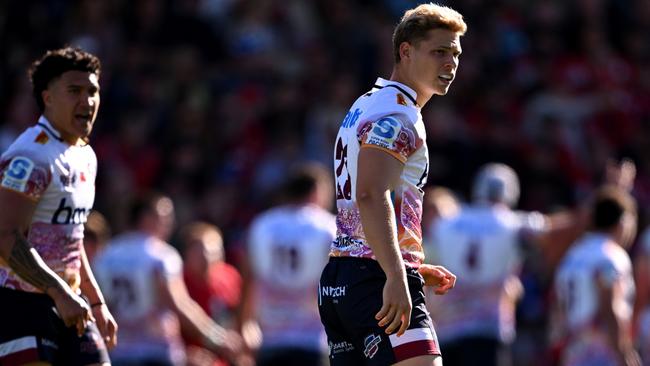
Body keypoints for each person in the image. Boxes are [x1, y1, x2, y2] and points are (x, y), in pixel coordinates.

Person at [318, 4, 465, 365]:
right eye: (439, 51)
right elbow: (370, 194)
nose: (451, 63)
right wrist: (397, 273)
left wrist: (407, 262)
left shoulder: (369, 102)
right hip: (373, 278)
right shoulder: (398, 114)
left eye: (456, 53)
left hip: (344, 276)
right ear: (406, 51)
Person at [0, 47, 117, 365]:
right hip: (17, 303)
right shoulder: (30, 157)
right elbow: (5, 236)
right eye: (74, 91)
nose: (87, 101)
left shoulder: (84, 155)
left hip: (66, 298)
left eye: (92, 91)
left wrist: (95, 301)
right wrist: (59, 291)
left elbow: (71, 239)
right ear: (47, 97)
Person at [424, 163, 575, 366]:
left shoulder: (445, 224)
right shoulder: (510, 223)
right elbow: (550, 230)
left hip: (448, 331)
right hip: (489, 330)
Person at [92, 193, 244, 366]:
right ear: (147, 218)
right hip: (157, 350)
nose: (170, 223)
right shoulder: (160, 255)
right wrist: (216, 338)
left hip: (120, 350)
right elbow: (178, 303)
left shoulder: (106, 255)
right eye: (165, 217)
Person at [239, 162, 335, 366]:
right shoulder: (328, 226)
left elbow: (249, 277)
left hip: (270, 337)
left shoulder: (262, 224)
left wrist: (245, 323)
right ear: (317, 190)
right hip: (312, 338)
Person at [554, 186, 640, 366]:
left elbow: (558, 312)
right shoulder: (610, 256)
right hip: (602, 355)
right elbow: (609, 307)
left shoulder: (572, 257)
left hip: (574, 353)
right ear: (623, 222)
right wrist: (624, 354)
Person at [180, 221, 244, 366]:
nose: (208, 258)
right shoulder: (177, 283)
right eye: (200, 251)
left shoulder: (230, 277)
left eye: (214, 252)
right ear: (187, 253)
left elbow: (239, 315)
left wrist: (238, 343)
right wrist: (184, 354)